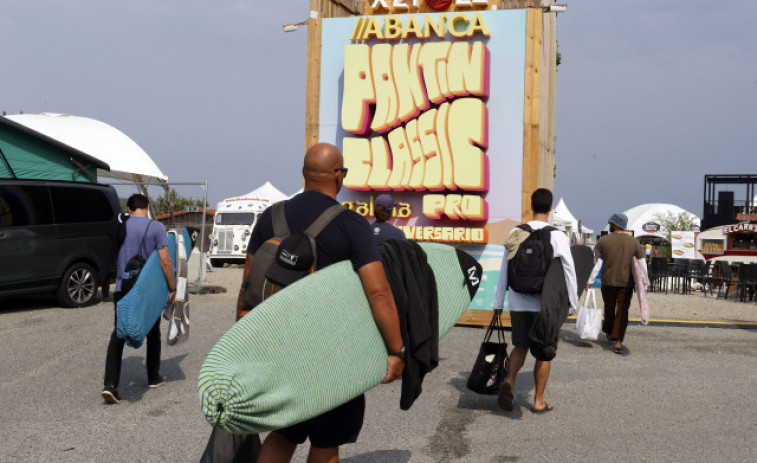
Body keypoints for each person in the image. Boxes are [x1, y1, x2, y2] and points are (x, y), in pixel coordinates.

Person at [239, 143, 405, 463]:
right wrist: (396, 350)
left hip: (278, 348)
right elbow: (379, 292)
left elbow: (249, 284)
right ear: (338, 175)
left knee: (284, 431)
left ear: (304, 174)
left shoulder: (269, 218)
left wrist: (245, 346)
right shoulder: (351, 224)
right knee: (327, 439)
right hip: (332, 354)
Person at [492, 188, 578, 414]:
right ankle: (538, 401)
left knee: (520, 345)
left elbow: (505, 269)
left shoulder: (516, 232)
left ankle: (509, 381)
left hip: (519, 301)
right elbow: (569, 271)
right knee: (544, 351)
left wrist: (498, 302)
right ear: (550, 208)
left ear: (531, 206)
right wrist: (572, 303)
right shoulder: (557, 236)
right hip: (545, 303)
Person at [102, 194, 176, 404]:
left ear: (129, 208)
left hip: (122, 287)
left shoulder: (121, 225)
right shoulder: (157, 228)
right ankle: (153, 377)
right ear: (148, 206)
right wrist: (172, 287)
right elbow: (165, 261)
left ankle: (110, 385)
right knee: (153, 331)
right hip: (146, 290)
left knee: (119, 332)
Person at [587, 213, 645, 355]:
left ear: (614, 224)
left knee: (609, 307)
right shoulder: (634, 242)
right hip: (626, 283)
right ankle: (618, 340)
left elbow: (597, 263)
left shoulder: (603, 241)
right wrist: (644, 282)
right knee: (622, 311)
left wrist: (590, 280)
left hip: (608, 282)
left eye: (610, 223)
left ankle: (609, 331)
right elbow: (642, 264)